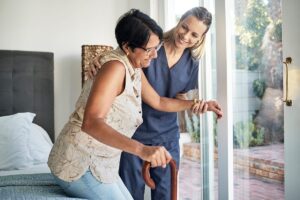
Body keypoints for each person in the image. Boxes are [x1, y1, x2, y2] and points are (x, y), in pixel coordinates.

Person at [47, 9, 207, 200]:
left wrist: (195, 104)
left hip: (104, 162)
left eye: (156, 48)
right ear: (128, 47)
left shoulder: (135, 67)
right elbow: (91, 122)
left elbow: (158, 101)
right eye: (150, 50)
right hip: (79, 162)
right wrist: (141, 149)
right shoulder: (115, 67)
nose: (156, 55)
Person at [89, 7, 223, 200]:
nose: (186, 36)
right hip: (134, 135)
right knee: (129, 195)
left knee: (166, 195)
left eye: (194, 34)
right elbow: (122, 55)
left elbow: (179, 97)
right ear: (179, 22)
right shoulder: (151, 45)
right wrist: (100, 59)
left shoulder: (192, 62)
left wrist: (195, 106)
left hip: (167, 137)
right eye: (184, 27)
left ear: (200, 38)